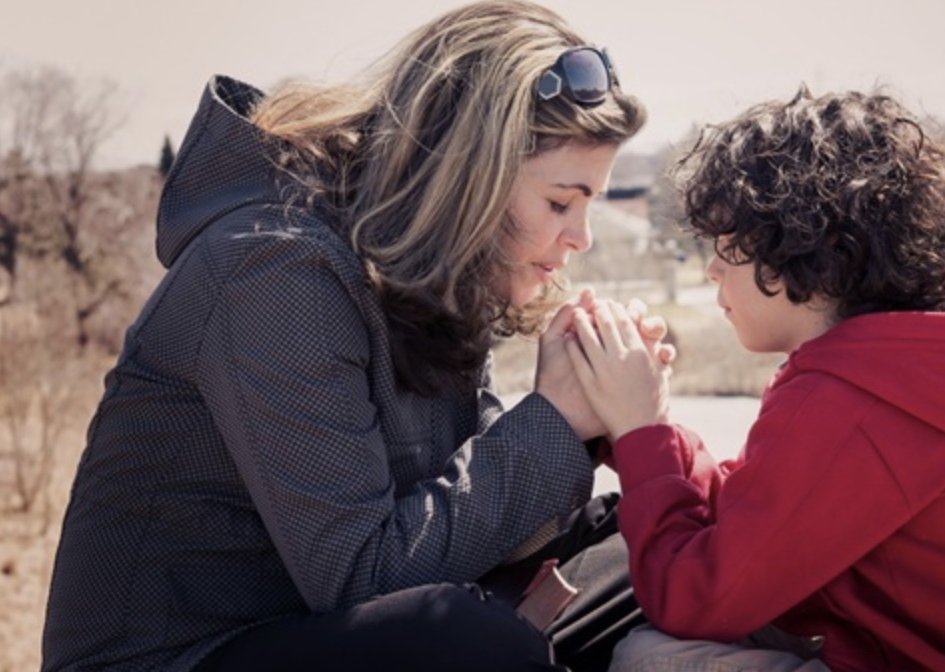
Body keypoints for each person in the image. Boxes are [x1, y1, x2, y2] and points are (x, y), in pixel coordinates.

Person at [41, 2, 665, 670]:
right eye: (560, 202)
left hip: (317, 634)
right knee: (466, 637)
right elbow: (366, 578)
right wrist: (553, 421)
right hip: (182, 656)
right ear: (468, 178)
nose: (581, 238)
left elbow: (464, 513)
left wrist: (591, 418)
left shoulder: (432, 280)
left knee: (647, 550)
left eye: (589, 205)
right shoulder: (275, 268)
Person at [565, 87, 945, 670]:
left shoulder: (858, 403)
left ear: (805, 251)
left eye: (729, 246)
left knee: (652, 659)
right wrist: (646, 430)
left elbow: (694, 599)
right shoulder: (915, 371)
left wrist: (641, 432)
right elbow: (761, 523)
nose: (712, 269)